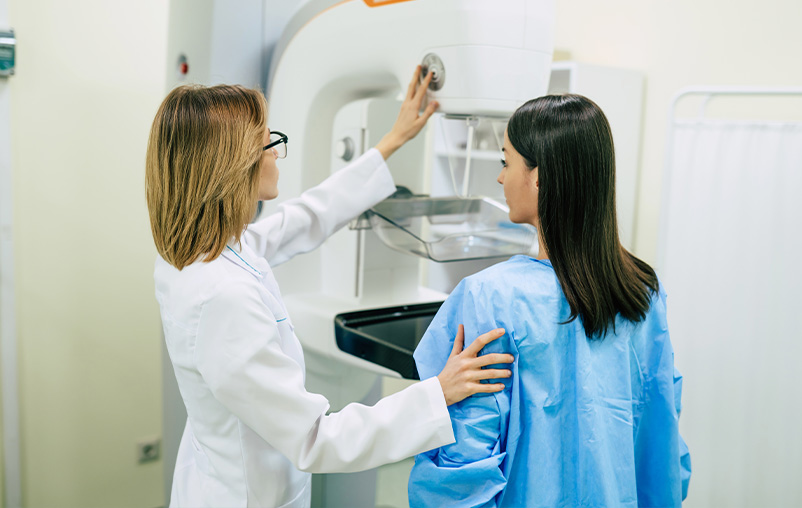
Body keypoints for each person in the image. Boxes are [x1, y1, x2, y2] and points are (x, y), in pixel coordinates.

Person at [145, 66, 514, 508]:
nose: (276, 153)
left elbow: (302, 219)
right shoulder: (223, 295)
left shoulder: (193, 252)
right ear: (233, 166)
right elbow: (316, 438)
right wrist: (438, 392)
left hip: (221, 471)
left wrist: (392, 140)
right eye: (268, 142)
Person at [408, 94, 692, 507]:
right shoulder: (643, 291)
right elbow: (662, 446)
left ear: (539, 176)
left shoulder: (490, 297)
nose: (502, 179)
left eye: (506, 162)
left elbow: (465, 456)